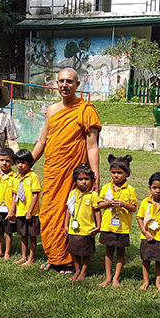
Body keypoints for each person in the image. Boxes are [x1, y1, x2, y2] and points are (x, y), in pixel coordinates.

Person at [32, 68, 101, 273]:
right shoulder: (52, 110)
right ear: (56, 83)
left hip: (74, 171)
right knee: (49, 213)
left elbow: (92, 146)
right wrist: (27, 164)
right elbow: (43, 141)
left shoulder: (86, 110)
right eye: (61, 81)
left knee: (71, 212)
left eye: (69, 81)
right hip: (53, 171)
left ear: (77, 85)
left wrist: (95, 177)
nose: (64, 85)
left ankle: (69, 260)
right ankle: (54, 256)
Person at [97, 154, 137, 287]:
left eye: (119, 173)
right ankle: (108, 277)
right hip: (108, 226)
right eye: (113, 172)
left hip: (122, 227)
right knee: (108, 251)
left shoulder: (130, 190)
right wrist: (108, 203)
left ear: (126, 173)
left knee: (120, 251)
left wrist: (123, 204)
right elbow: (98, 204)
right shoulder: (106, 188)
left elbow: (133, 208)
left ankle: (116, 277)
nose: (116, 175)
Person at [65, 165, 101, 282]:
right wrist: (66, 225)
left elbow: (97, 210)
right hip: (73, 229)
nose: (84, 182)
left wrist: (98, 226)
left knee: (85, 253)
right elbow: (68, 210)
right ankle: (77, 270)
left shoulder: (93, 195)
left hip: (87, 229)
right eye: (81, 179)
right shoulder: (72, 194)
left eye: (87, 179)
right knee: (75, 251)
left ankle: (84, 272)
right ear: (75, 181)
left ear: (92, 180)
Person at [10, 149, 41, 267]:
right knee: (23, 235)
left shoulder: (33, 176)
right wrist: (12, 210)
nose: (20, 165)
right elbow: (15, 195)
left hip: (31, 213)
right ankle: (23, 256)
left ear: (29, 163)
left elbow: (35, 195)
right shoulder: (16, 178)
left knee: (32, 236)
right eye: (18, 162)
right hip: (20, 211)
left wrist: (29, 211)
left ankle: (31, 258)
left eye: (23, 162)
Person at [0, 147, 18, 260]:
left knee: (9, 232)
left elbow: (15, 194)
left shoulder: (14, 176)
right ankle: (0, 251)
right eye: (2, 160)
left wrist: (12, 210)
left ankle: (7, 252)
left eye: (7, 161)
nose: (4, 163)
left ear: (12, 163)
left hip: (9, 209)